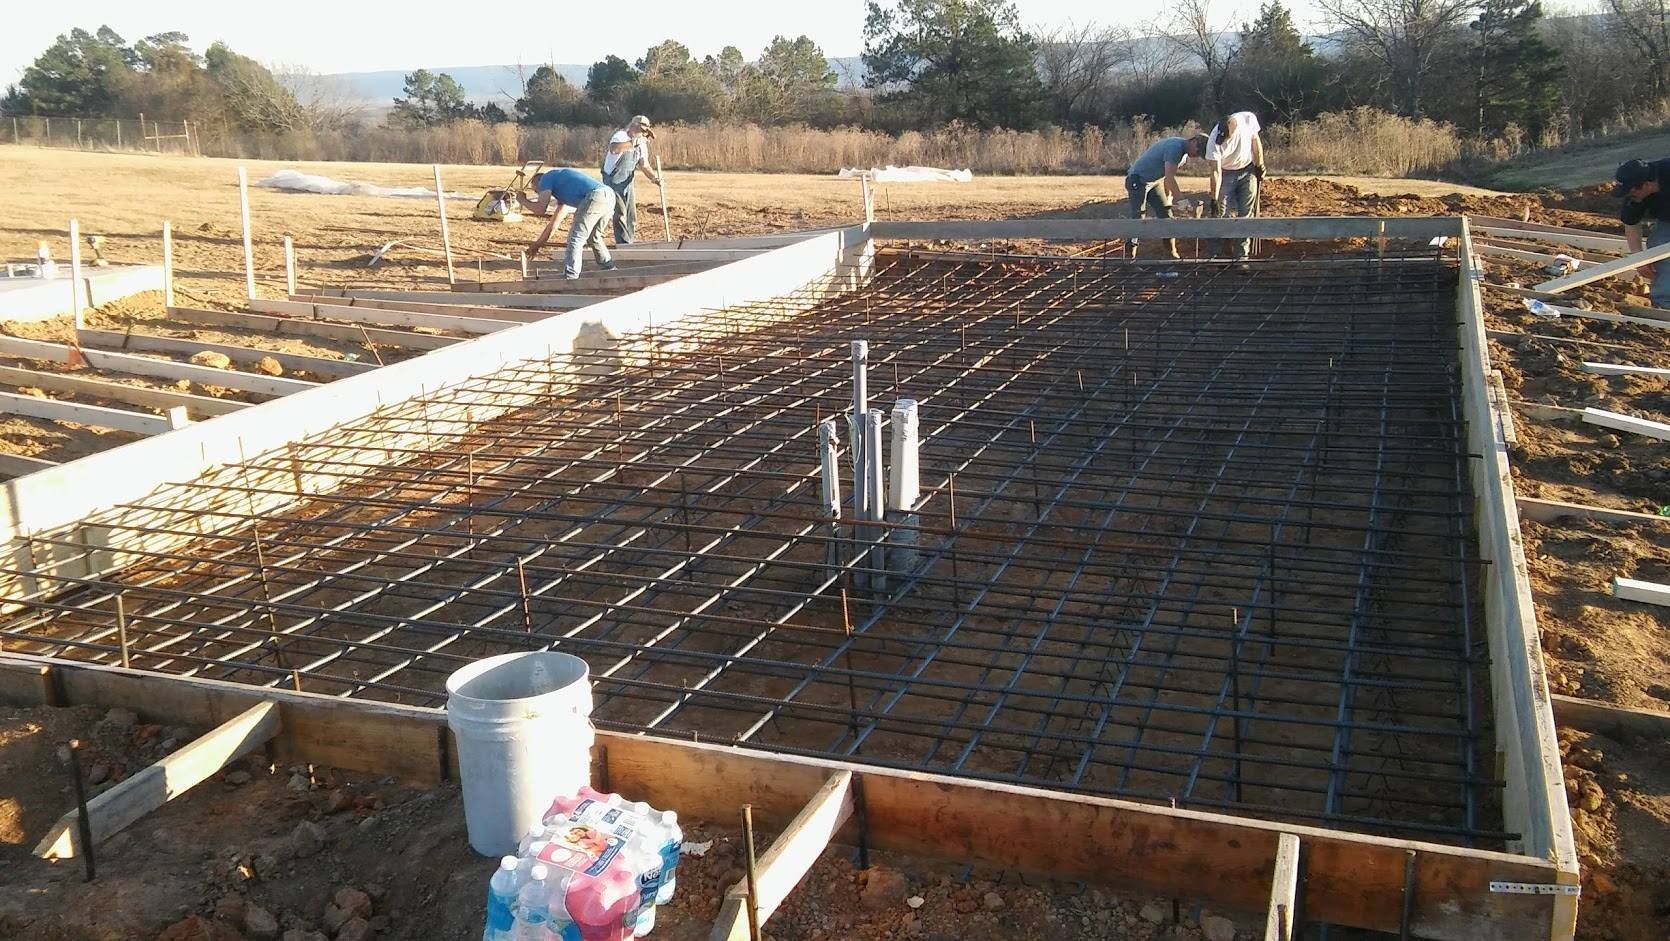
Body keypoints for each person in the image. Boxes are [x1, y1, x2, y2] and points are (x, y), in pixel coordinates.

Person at [516, 168, 617, 279]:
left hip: (595, 196)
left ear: (538, 182)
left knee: (575, 238)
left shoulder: (545, 179)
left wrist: (523, 200)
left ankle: (571, 277)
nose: (539, 194)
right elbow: (553, 225)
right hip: (608, 195)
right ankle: (609, 269)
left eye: (537, 191)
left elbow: (540, 209)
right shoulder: (562, 190)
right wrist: (537, 245)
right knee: (594, 237)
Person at [1125, 133, 1210, 259]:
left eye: (1200, 155)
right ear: (1193, 141)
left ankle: (1171, 253)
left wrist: (1168, 198)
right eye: (1198, 150)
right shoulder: (1175, 148)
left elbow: (1166, 176)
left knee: (1166, 214)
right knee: (1138, 218)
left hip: (1152, 182)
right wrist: (1182, 201)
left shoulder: (1182, 154)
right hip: (1136, 180)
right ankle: (1129, 257)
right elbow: (1170, 178)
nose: (1197, 155)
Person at [1206, 111, 1266, 262]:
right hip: (1225, 174)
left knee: (1245, 215)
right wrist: (1214, 198)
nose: (1222, 141)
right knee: (1220, 214)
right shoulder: (1213, 141)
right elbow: (1215, 171)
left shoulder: (1247, 119)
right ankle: (1216, 256)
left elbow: (1255, 141)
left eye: (1225, 138)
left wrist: (1260, 165)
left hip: (1247, 170)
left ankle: (1242, 257)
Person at [1614, 157, 1670, 307]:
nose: (1630, 197)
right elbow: (1631, 223)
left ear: (1647, 185)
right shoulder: (1636, 194)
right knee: (1659, 246)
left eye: (1632, 193)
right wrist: (1640, 258)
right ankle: (1665, 302)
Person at [601, 115, 662, 245]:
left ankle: (630, 241)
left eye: (645, 129)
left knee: (631, 216)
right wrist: (633, 143)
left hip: (627, 181)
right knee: (620, 214)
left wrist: (654, 178)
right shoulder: (621, 136)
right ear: (634, 125)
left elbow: (643, 164)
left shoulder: (641, 144)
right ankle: (623, 244)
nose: (644, 132)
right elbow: (614, 149)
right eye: (643, 128)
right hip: (613, 180)